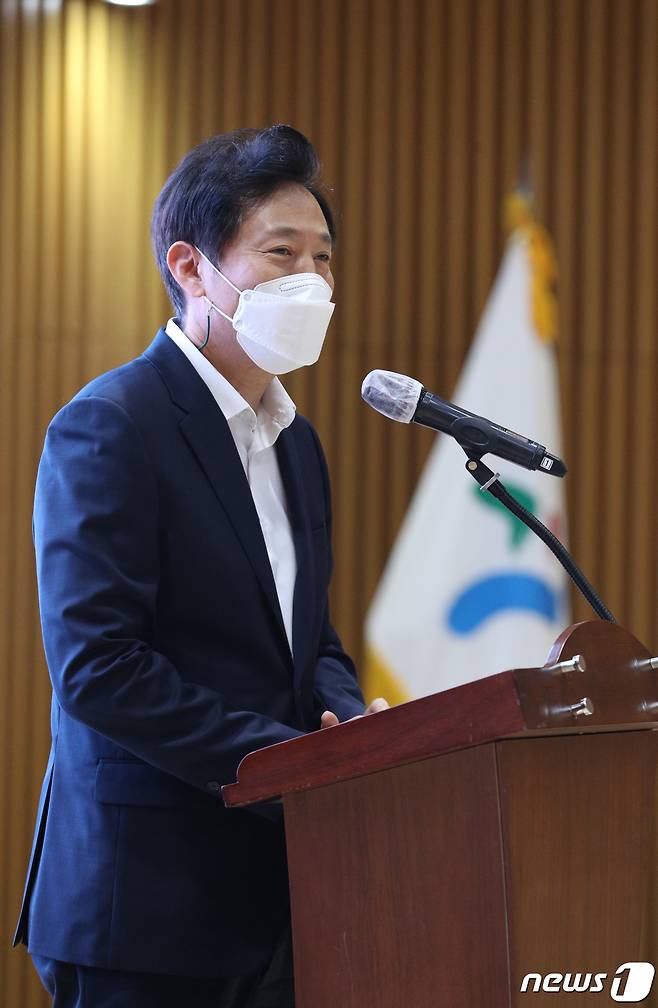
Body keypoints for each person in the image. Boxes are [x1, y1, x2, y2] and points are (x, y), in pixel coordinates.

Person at [14, 125, 388, 1008]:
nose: (311, 281)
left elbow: (308, 638)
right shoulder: (112, 424)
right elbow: (99, 668)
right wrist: (292, 764)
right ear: (190, 267)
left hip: (281, 900)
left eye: (323, 258)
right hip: (143, 902)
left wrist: (347, 726)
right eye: (281, 253)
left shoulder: (298, 443)